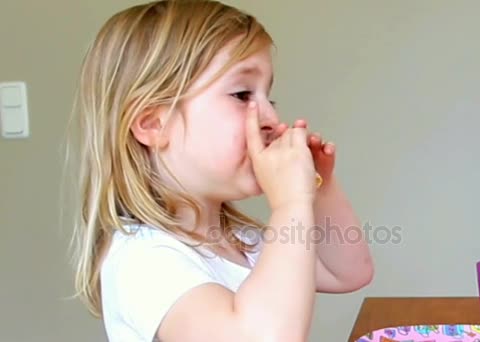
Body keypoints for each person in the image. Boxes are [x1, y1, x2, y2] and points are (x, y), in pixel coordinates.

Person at [68, 0, 374, 341]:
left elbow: (349, 271)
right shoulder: (142, 261)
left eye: (268, 98)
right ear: (155, 124)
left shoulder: (242, 242)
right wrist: (290, 205)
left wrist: (319, 188)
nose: (271, 120)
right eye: (242, 95)